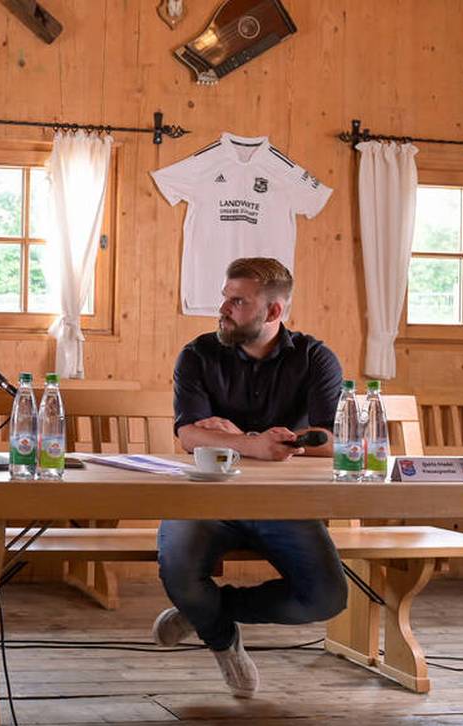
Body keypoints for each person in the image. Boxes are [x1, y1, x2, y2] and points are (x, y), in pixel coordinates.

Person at [154, 256, 348, 699]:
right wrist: (258, 444)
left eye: (237, 302)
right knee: (181, 573)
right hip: (203, 497)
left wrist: (236, 437)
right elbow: (188, 434)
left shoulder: (316, 358)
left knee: (325, 599)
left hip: (282, 503)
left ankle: (206, 612)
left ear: (274, 312)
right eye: (225, 298)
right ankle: (220, 637)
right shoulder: (197, 354)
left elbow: (332, 439)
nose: (223, 309)